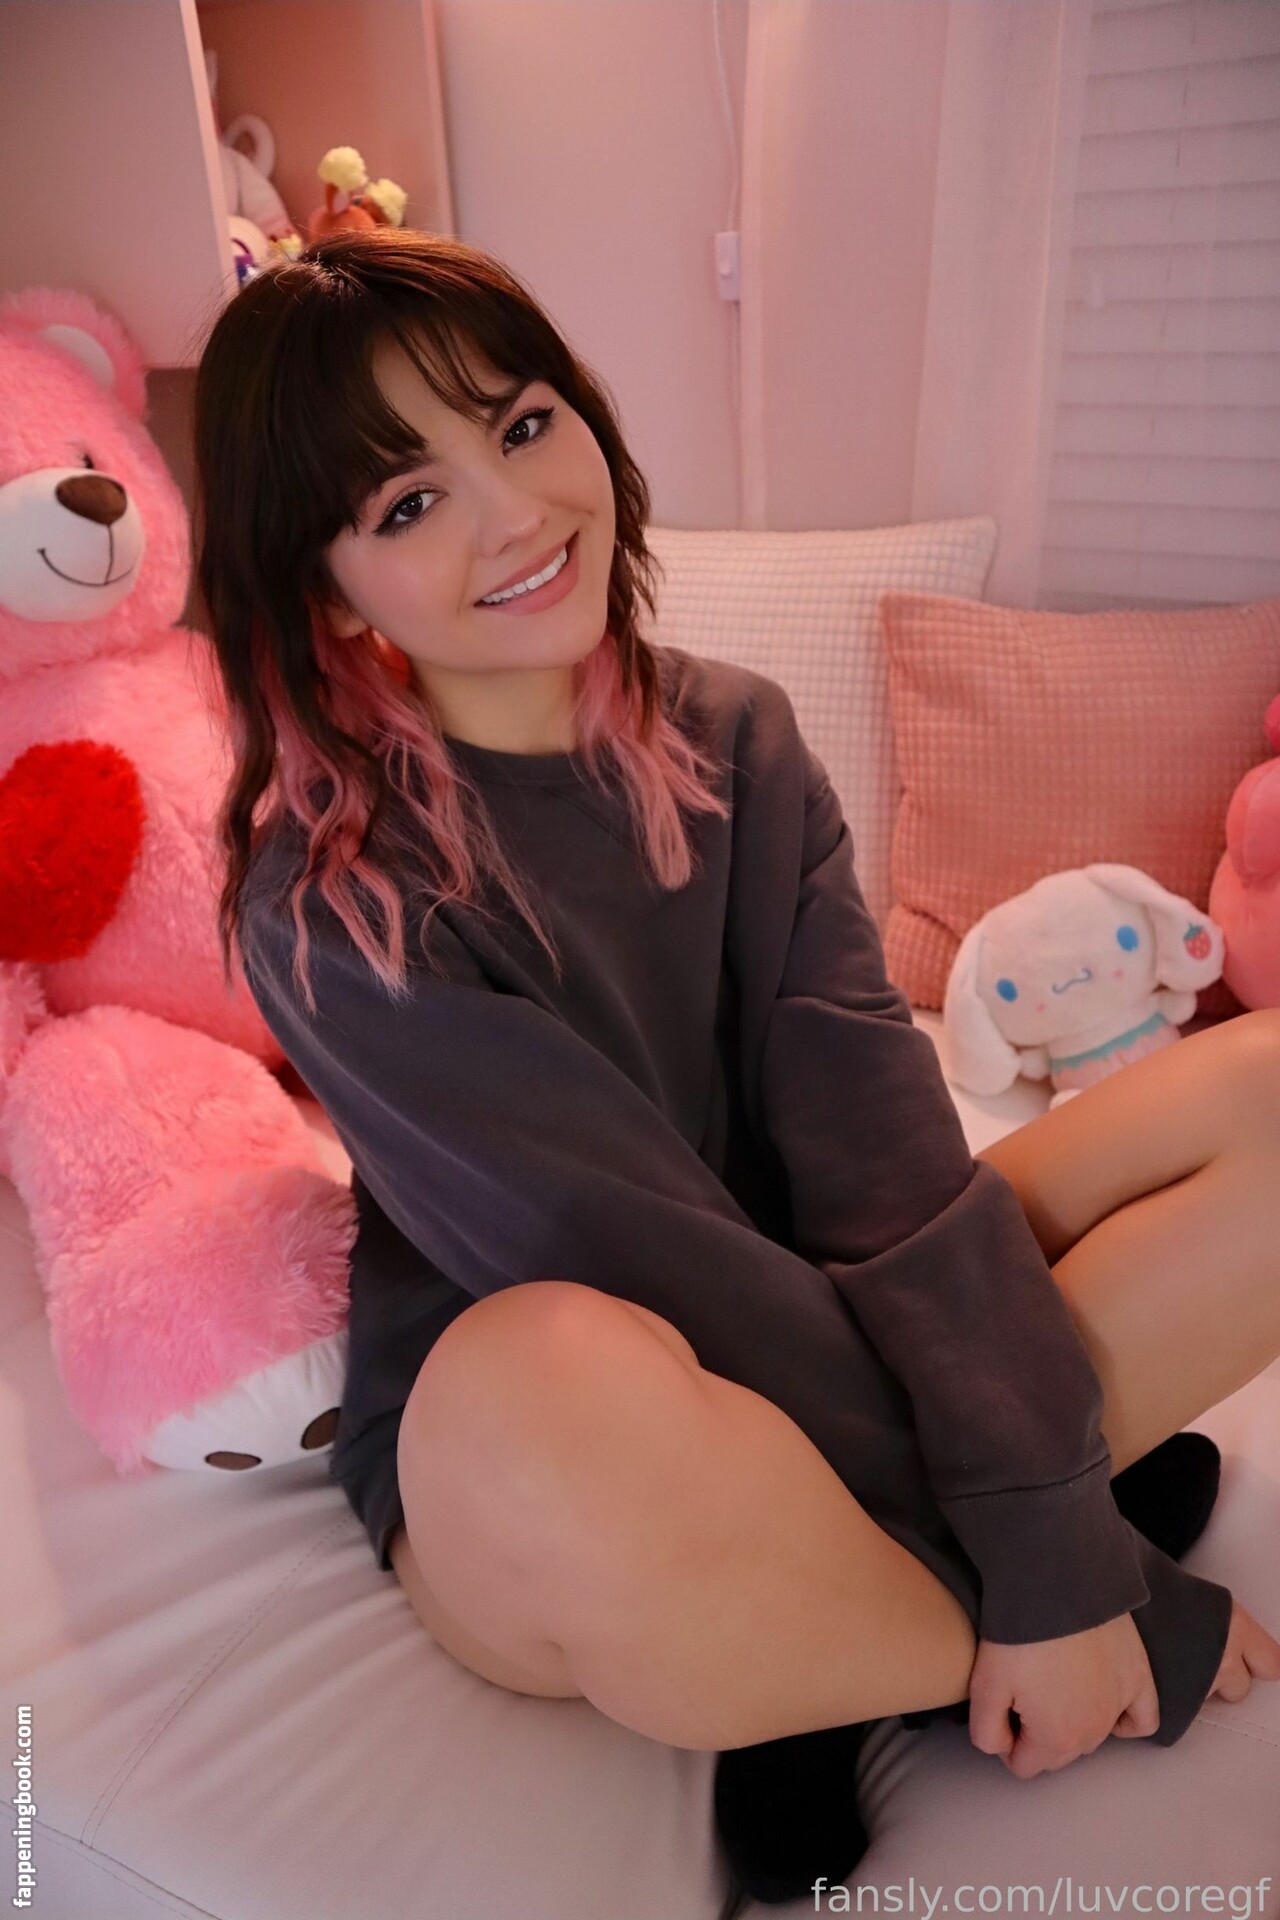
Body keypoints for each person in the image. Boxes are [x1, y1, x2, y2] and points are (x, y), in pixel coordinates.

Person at [192, 228, 1280, 1905]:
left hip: (825, 1298)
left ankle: (855, 1635)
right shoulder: (336, 904)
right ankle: (974, 1628)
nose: (514, 514)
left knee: (1263, 1091)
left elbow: (887, 1171)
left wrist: (1036, 1507)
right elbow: (648, 1259)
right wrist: (1080, 1565)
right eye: (408, 506)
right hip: (588, 1432)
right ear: (325, 593)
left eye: (524, 424)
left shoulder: (739, 740)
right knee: (552, 1385)